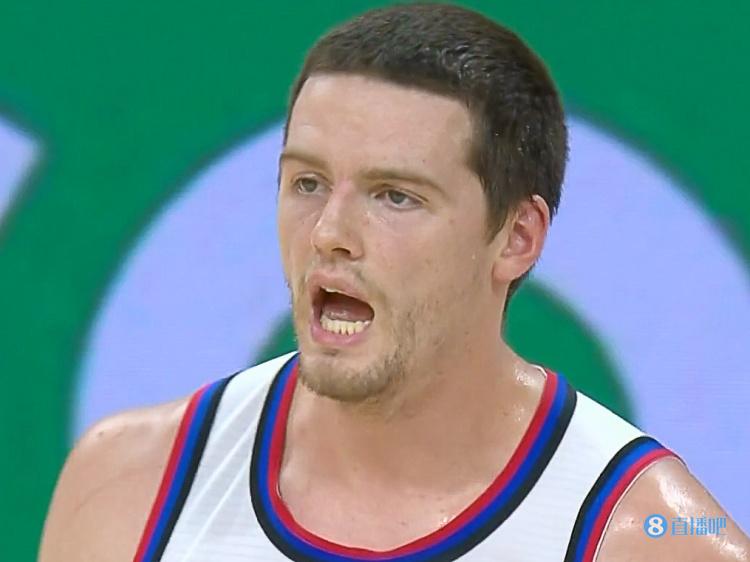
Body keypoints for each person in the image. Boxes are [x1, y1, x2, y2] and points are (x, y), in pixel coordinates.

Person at [39, 3, 749, 562]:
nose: (329, 232)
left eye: (395, 196)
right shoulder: (129, 486)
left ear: (517, 238)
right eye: (308, 182)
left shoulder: (654, 540)